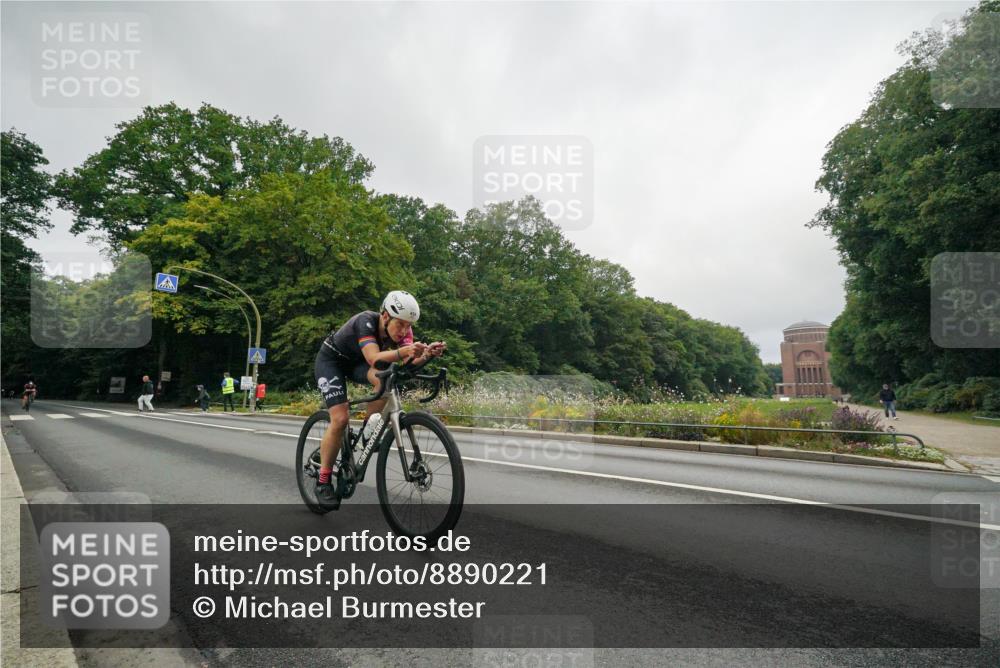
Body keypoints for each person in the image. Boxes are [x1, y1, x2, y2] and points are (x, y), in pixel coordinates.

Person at [313, 291, 446, 510]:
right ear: (385, 316)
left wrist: (426, 355)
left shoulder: (404, 331)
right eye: (400, 325)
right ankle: (323, 480)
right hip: (332, 360)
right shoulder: (365, 321)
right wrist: (404, 351)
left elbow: (406, 365)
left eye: (408, 326)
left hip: (357, 364)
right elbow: (374, 358)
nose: (404, 331)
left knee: (386, 380)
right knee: (340, 418)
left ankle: (368, 432)